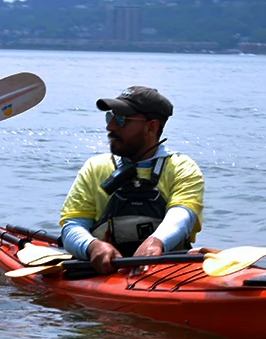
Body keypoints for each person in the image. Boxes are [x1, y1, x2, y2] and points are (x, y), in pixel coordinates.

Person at [59, 86, 204, 274]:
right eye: (110, 117)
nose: (110, 126)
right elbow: (72, 225)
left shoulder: (182, 168)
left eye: (121, 119)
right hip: (102, 271)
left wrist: (156, 241)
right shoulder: (95, 167)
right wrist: (92, 246)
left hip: (164, 271)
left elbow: (182, 215)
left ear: (151, 127)